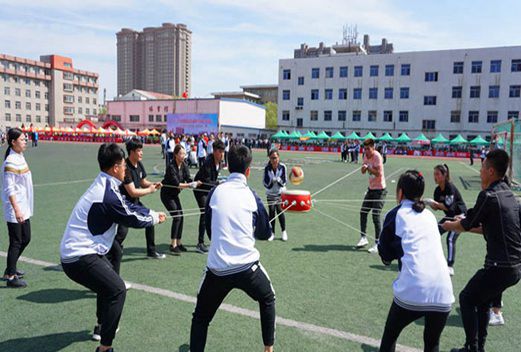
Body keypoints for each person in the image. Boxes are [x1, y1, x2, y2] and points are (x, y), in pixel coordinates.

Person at [60, 143, 166, 352]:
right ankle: (105, 347)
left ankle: (101, 326)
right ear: (115, 167)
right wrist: (154, 218)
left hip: (87, 251)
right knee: (117, 290)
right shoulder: (106, 193)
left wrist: (151, 213)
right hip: (78, 256)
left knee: (111, 271)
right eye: (123, 165)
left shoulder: (107, 184)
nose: (126, 168)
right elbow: (130, 216)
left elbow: (129, 206)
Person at [189, 145, 275, 352]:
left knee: (200, 318)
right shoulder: (252, 196)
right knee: (268, 298)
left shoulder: (214, 193)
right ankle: (268, 349)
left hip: (217, 270)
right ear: (248, 170)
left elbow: (210, 230)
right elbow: (265, 233)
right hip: (248, 269)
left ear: (227, 167)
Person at [443, 149, 521, 352]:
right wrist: (462, 223)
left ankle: (471, 347)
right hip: (514, 267)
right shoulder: (508, 194)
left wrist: (448, 225)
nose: (480, 171)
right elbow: (486, 226)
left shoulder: (488, 195)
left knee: (466, 298)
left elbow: (467, 224)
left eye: (483, 167)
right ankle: (478, 348)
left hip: (500, 267)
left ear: (491, 171)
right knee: (483, 301)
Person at [378, 170, 454, 352]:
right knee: (432, 343)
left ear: (400, 192)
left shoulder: (396, 214)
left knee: (389, 337)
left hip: (412, 290)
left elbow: (386, 257)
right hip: (443, 293)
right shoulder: (429, 215)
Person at [109, 138, 165, 277]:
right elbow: (132, 191)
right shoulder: (125, 168)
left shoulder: (138, 164)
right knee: (121, 235)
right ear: (131, 152)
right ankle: (107, 259)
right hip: (124, 205)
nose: (141, 153)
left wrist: (154, 184)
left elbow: (142, 181)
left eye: (141, 150)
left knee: (151, 219)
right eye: (139, 150)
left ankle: (151, 251)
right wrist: (151, 190)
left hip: (135, 202)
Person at [1, 128, 33, 288]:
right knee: (16, 241)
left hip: (23, 205)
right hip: (16, 208)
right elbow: (9, 189)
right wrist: (17, 209)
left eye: (25, 139)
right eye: (22, 139)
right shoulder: (10, 162)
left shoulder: (19, 156)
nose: (25, 141)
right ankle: (11, 277)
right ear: (13, 142)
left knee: (26, 238)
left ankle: (10, 269)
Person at [161, 144, 201, 254]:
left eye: (184, 153)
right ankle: (173, 245)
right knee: (177, 217)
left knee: (181, 216)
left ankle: (179, 242)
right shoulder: (171, 167)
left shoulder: (184, 165)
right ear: (175, 155)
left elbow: (188, 178)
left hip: (174, 195)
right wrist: (190, 185)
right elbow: (176, 184)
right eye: (181, 154)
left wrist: (195, 182)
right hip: (167, 195)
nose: (183, 156)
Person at [429, 164, 467, 276]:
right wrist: (429, 203)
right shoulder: (437, 190)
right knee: (434, 232)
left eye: (437, 174)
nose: (435, 176)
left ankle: (450, 266)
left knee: (450, 239)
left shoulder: (450, 187)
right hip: (450, 216)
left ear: (444, 175)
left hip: (460, 215)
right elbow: (437, 208)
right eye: (434, 174)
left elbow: (448, 206)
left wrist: (436, 204)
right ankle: (432, 260)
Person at [193, 139, 225, 253]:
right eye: (221, 152)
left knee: (213, 213)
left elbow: (212, 180)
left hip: (208, 189)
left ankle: (213, 239)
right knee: (204, 213)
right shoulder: (207, 162)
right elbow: (206, 181)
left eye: (223, 152)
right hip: (200, 190)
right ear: (215, 151)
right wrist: (217, 184)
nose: (222, 154)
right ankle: (200, 243)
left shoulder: (219, 162)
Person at [356, 138, 387, 253]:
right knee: (363, 212)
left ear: (373, 148)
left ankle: (378, 243)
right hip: (371, 189)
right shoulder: (365, 156)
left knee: (375, 215)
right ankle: (363, 238)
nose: (367, 151)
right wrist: (363, 168)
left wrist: (368, 167)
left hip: (380, 190)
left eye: (368, 149)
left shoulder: (377, 156)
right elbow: (363, 172)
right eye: (365, 149)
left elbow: (378, 173)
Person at [263, 149, 288, 241]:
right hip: (270, 193)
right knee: (272, 211)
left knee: (280, 210)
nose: (274, 160)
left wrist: (279, 181)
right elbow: (264, 182)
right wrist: (271, 182)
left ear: (278, 157)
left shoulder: (283, 167)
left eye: (276, 158)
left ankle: (284, 231)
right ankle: (272, 232)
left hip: (280, 193)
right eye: (272, 158)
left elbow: (285, 181)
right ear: (269, 158)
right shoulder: (267, 168)